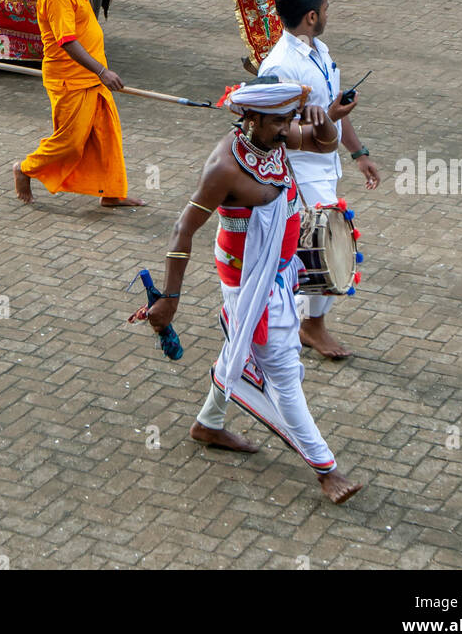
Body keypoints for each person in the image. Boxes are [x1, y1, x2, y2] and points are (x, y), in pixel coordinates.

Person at [147, 79, 362, 503]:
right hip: (247, 278)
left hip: (276, 268)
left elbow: (322, 146)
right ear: (251, 118)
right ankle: (326, 469)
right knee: (281, 370)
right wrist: (170, 300)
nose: (288, 129)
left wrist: (322, 124)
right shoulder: (224, 167)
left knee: (241, 346)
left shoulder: (271, 134)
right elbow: (181, 230)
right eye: (280, 121)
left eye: (290, 119)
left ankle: (208, 424)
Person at [258, 0, 379, 360]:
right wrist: (329, 117)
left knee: (309, 248)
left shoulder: (320, 51)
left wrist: (359, 154)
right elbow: (272, 130)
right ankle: (308, 326)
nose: (329, 13)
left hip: (325, 167)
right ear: (311, 16)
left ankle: (300, 323)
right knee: (323, 245)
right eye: (326, 9)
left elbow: (334, 113)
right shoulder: (279, 66)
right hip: (298, 172)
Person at [13, 0, 145, 209]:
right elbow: (67, 42)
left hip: (90, 80)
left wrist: (98, 73)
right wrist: (102, 71)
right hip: (70, 81)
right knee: (70, 143)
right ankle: (25, 169)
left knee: (107, 136)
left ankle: (112, 193)